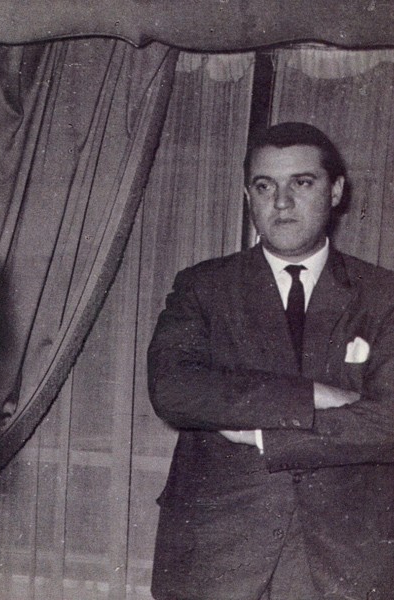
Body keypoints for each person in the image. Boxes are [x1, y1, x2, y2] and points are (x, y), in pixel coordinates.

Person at [147, 121, 394, 599]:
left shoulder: (383, 296)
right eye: (265, 186)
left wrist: (262, 435)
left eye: (302, 183)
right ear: (248, 196)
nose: (281, 202)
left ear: (336, 190)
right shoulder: (203, 287)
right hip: (218, 557)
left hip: (344, 559)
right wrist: (310, 396)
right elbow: (173, 389)